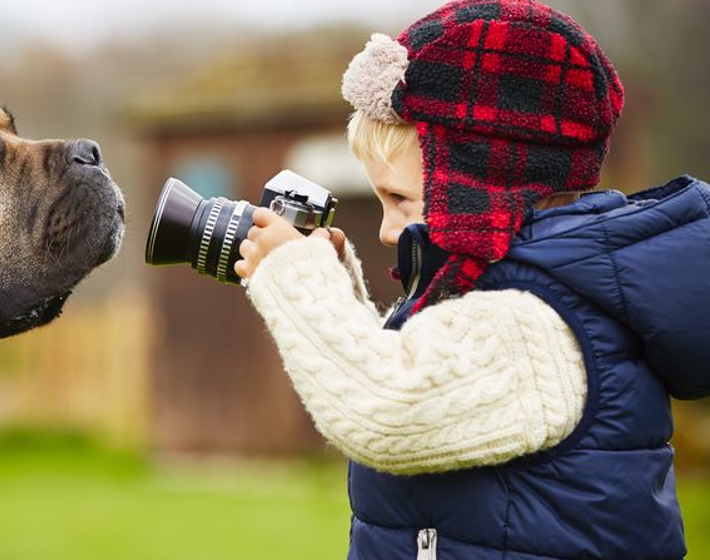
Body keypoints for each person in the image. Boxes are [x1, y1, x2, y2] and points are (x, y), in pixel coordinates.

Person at [234, 0, 710, 558]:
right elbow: (429, 377)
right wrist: (343, 295)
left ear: (479, 183)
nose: (389, 231)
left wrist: (298, 279)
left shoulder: (538, 322)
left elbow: (387, 409)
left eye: (399, 199)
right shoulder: (522, 293)